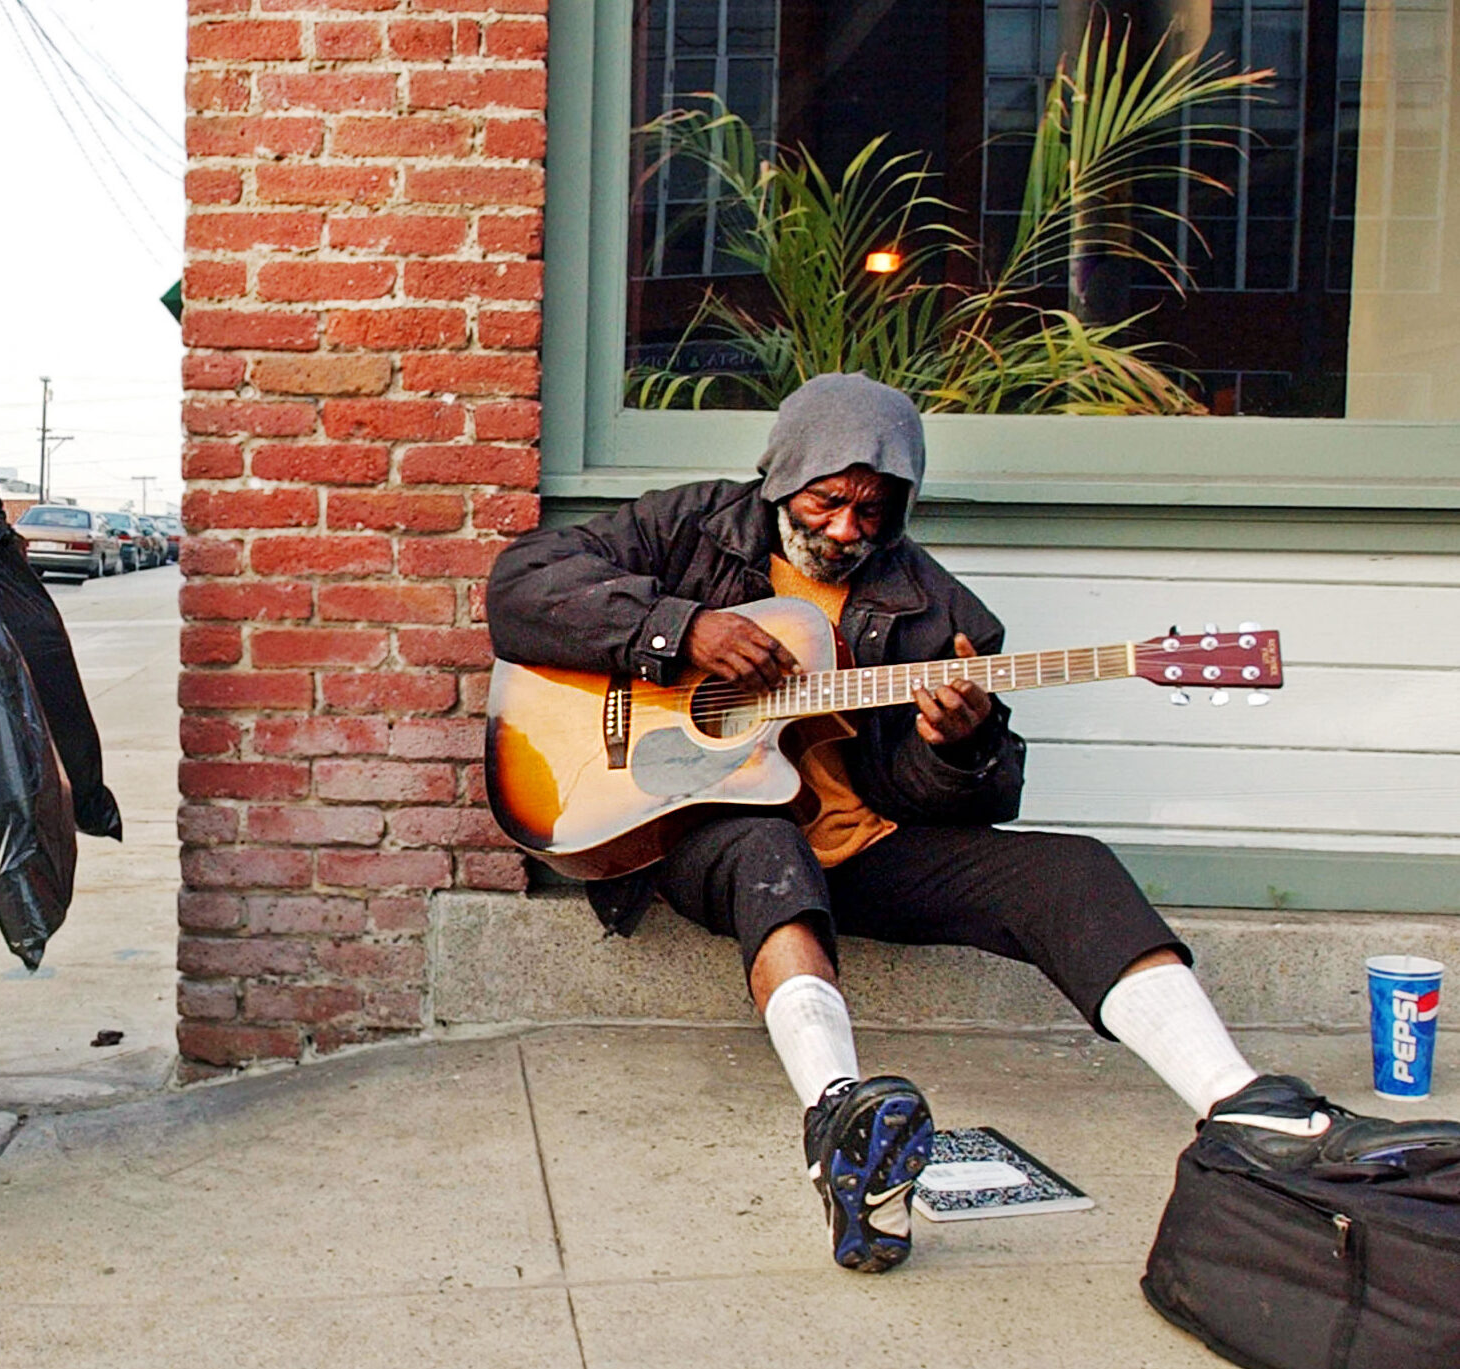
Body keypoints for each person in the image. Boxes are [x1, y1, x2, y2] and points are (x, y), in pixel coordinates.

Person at [485, 372, 1437, 1273]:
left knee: (1069, 868)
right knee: (768, 845)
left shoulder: (937, 609)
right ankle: (838, 1114)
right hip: (705, 836)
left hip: (865, 852)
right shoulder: (690, 526)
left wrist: (958, 746)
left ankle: (1243, 1105)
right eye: (825, 500)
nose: (844, 529)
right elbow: (520, 584)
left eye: (872, 510)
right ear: (780, 474)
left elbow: (972, 796)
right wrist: (681, 629)